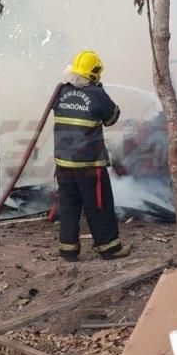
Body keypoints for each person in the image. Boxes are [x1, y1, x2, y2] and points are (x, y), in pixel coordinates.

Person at [53, 50, 131, 261]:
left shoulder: (60, 92)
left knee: (68, 205)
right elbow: (111, 118)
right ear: (94, 73)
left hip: (63, 163)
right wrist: (100, 92)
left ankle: (68, 250)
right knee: (98, 205)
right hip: (89, 164)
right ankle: (109, 248)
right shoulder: (97, 95)